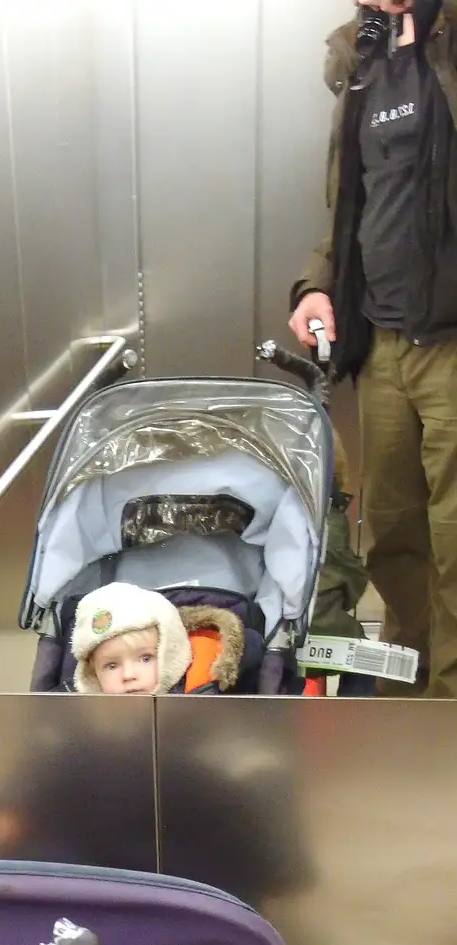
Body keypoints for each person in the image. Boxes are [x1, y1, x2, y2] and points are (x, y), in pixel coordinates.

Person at [289, 0, 457, 696]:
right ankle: (406, 694)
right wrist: (316, 287)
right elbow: (351, 205)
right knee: (392, 535)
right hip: (381, 343)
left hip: (451, 342)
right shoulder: (358, 61)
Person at [71, 583, 258, 697]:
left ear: (170, 652)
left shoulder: (203, 693)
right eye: (112, 665)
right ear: (92, 673)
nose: (128, 675)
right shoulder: (82, 718)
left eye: (145, 658)